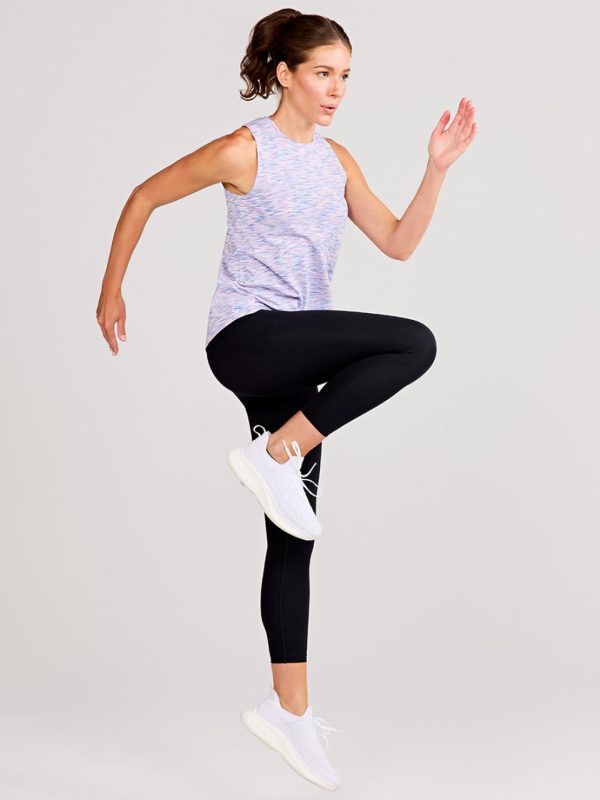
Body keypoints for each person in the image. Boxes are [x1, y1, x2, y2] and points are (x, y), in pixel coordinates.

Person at [95, 8, 477, 792]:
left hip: (294, 359)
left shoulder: (337, 161)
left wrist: (436, 169)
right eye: (323, 74)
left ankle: (289, 712)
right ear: (285, 75)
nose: (336, 89)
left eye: (345, 77)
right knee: (413, 342)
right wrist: (111, 290)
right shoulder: (246, 149)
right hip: (247, 338)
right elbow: (143, 194)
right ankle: (278, 451)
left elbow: (398, 242)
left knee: (293, 536)